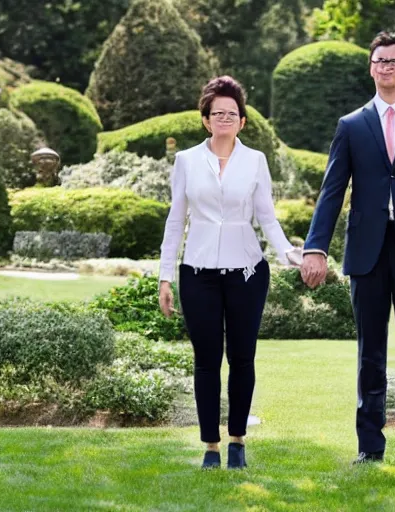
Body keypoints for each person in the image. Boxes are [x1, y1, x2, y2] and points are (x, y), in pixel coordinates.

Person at [301, 31, 395, 466]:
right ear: (371, 68)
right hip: (367, 251)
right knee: (370, 354)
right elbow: (331, 192)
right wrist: (315, 248)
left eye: (394, 61)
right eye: (379, 61)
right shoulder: (351, 125)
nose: (386, 67)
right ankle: (370, 448)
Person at [158, 75, 301, 469]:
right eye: (216, 112)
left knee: (242, 358)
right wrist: (165, 276)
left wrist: (288, 252)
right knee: (206, 361)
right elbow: (176, 221)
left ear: (242, 121)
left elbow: (266, 217)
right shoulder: (186, 160)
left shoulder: (255, 160)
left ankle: (237, 440)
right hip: (198, 272)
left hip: (247, 273)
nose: (224, 118)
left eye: (231, 113)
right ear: (206, 119)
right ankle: (210, 446)